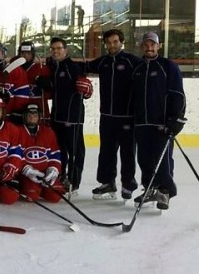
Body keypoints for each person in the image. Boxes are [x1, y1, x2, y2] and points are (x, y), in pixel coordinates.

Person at [130, 32, 186, 210]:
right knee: (144, 159)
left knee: (163, 159)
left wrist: (176, 119)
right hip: (141, 123)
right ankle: (150, 188)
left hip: (162, 123)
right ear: (141, 46)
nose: (149, 47)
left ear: (159, 46)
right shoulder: (137, 69)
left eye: (153, 44)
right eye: (146, 44)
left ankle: (165, 191)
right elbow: (133, 96)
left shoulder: (168, 66)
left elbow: (178, 94)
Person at [86, 29, 142, 200]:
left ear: (121, 42)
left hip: (127, 118)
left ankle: (128, 184)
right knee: (106, 152)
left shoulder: (133, 61)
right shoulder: (103, 62)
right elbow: (82, 67)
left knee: (127, 153)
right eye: (109, 42)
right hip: (107, 117)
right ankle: (107, 182)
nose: (112, 45)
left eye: (115, 42)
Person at [38, 37, 92, 195]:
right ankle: (61, 176)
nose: (55, 51)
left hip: (72, 118)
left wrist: (87, 89)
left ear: (65, 50)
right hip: (57, 118)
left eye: (59, 48)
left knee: (75, 151)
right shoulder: (54, 67)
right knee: (60, 151)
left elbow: (84, 89)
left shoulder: (72, 67)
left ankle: (74, 181)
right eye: (53, 49)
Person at [17, 103, 65, 203]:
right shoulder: (17, 132)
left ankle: (42, 188)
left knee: (55, 196)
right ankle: (34, 188)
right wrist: (27, 170)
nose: (32, 118)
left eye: (35, 116)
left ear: (39, 117)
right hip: (26, 175)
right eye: (29, 115)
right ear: (24, 117)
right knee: (31, 196)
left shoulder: (48, 132)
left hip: (45, 172)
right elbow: (15, 155)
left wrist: (53, 169)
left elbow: (55, 153)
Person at [0, 43, 30, 124]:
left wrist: (18, 111)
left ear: (4, 54)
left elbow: (22, 93)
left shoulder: (17, 70)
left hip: (9, 115)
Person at [12, 41, 51, 121]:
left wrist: (47, 86)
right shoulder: (14, 69)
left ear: (33, 54)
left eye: (28, 53)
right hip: (19, 110)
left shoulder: (42, 69)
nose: (25, 56)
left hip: (38, 110)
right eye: (23, 53)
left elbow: (50, 93)